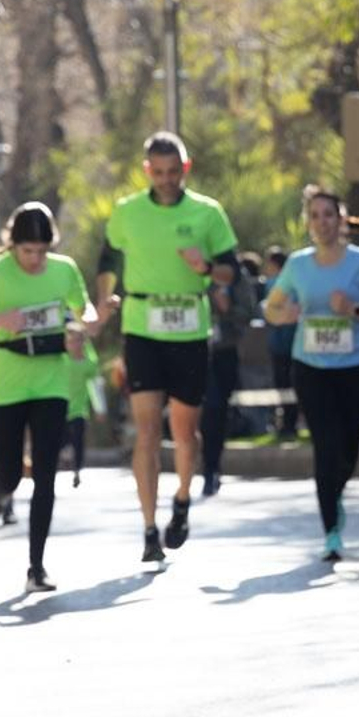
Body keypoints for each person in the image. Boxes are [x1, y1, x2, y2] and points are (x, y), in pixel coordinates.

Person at [95, 131, 239, 562]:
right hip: (142, 329)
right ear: (146, 171)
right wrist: (104, 299)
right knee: (146, 432)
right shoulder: (127, 212)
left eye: (173, 172)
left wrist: (207, 267)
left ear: (185, 169)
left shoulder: (208, 213)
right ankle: (148, 527)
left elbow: (231, 271)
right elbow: (107, 260)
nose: (166, 180)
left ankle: (180, 498)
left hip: (190, 330)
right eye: (158, 173)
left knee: (184, 432)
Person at [0, 202, 98, 592]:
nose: (35, 259)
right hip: (5, 381)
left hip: (51, 379)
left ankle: (36, 566)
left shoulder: (64, 269)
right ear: (13, 244)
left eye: (41, 251)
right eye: (27, 251)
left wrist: (86, 319)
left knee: (45, 474)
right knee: (8, 473)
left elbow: (81, 307)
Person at [263, 185, 359, 561]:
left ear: (341, 220)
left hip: (354, 367)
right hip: (310, 367)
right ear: (308, 222)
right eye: (315, 215)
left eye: (328, 215)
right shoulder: (297, 264)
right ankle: (331, 531)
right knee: (325, 444)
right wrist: (282, 314)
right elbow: (270, 308)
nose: (322, 222)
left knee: (348, 448)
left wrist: (354, 309)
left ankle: (334, 493)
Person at [199, 251, 256, 497]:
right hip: (193, 349)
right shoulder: (187, 265)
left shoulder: (235, 275)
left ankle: (212, 468)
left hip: (224, 352)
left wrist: (227, 308)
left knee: (216, 409)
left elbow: (248, 311)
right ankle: (203, 465)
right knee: (200, 410)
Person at [263, 246, 299, 439]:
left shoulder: (274, 285)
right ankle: (289, 425)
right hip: (289, 343)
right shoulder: (296, 284)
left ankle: (288, 425)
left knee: (285, 385)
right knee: (291, 386)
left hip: (284, 343)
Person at [63, 322, 101, 489]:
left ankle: (77, 470)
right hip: (61, 409)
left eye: (78, 341)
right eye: (71, 341)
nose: (74, 344)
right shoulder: (61, 361)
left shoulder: (89, 363)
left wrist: (100, 408)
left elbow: (96, 386)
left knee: (78, 440)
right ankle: (63, 457)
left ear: (83, 342)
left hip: (79, 410)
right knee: (62, 440)